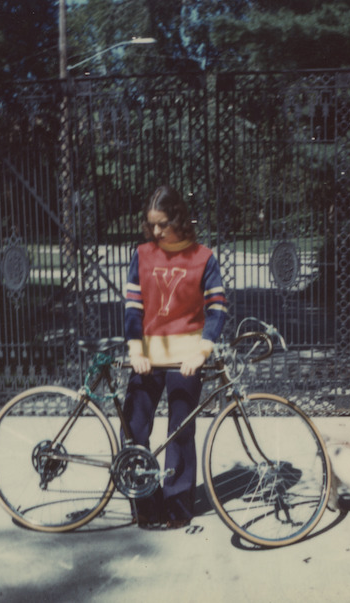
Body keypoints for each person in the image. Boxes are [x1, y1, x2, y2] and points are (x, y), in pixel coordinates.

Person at [122, 184, 228, 529]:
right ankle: (144, 502)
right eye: (151, 224)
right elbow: (133, 307)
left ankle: (178, 506)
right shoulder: (142, 255)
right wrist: (135, 348)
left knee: (180, 431)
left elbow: (217, 309)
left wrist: (203, 350)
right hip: (148, 356)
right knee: (135, 427)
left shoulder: (203, 258)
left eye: (163, 223)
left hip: (187, 358)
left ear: (179, 219)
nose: (156, 231)